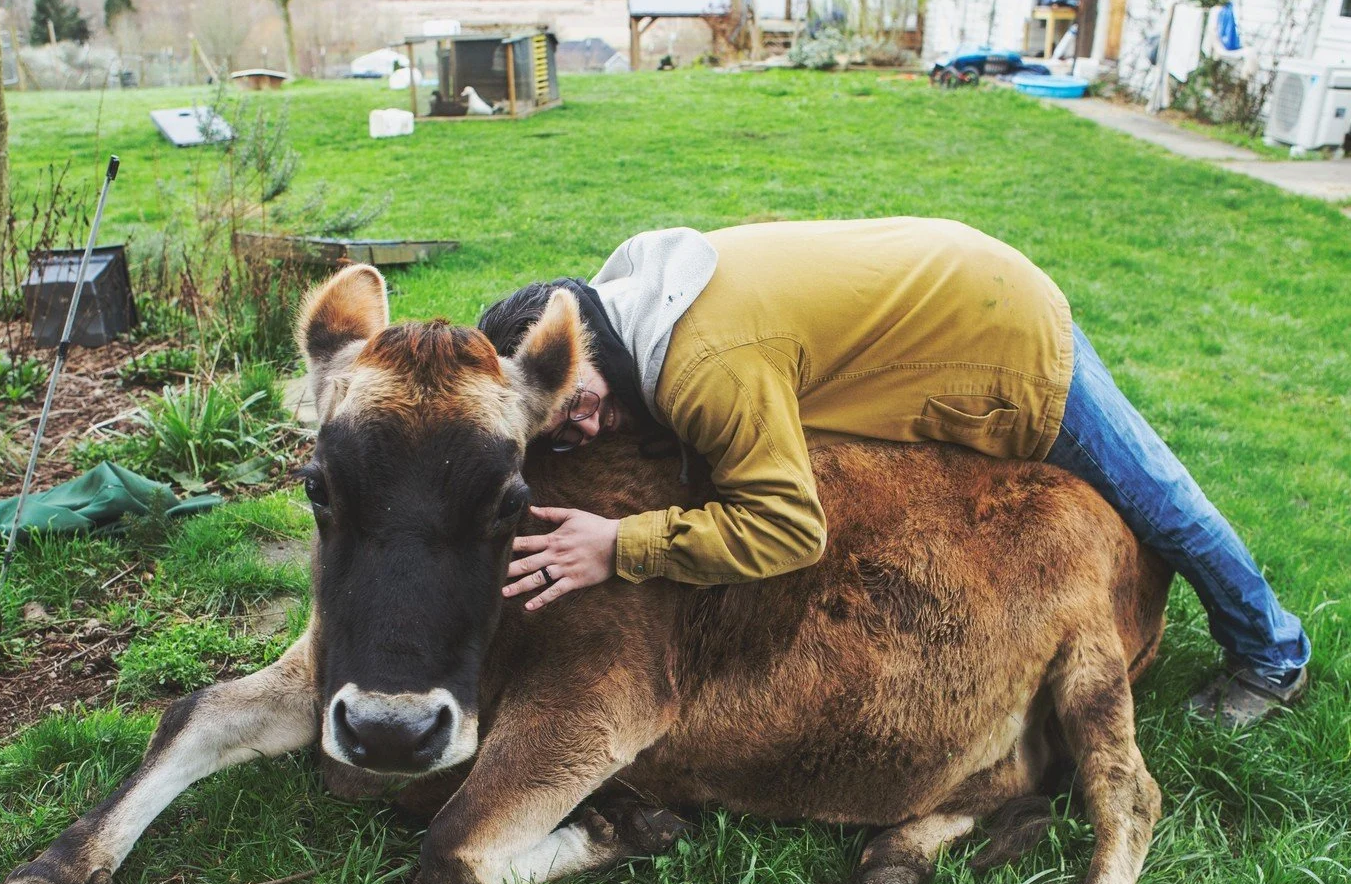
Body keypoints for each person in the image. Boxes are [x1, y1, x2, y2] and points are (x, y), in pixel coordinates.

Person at [477, 219, 1309, 727]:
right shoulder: (631, 305)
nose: (580, 432)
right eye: (557, 431)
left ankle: (1272, 654)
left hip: (1000, 329)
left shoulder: (706, 366)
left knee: (1159, 504)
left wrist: (624, 544)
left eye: (578, 404)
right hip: (949, 271)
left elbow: (789, 528)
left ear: (590, 342)